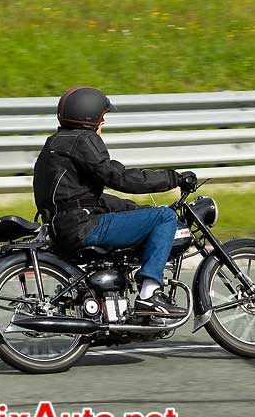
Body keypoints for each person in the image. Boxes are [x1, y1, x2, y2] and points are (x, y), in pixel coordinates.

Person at [33, 86, 198, 319]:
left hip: (64, 225)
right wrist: (173, 178)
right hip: (83, 226)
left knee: (147, 214)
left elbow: (90, 198)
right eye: (102, 117)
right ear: (88, 117)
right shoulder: (84, 140)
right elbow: (118, 177)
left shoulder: (55, 143)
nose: (103, 123)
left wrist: (137, 210)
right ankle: (149, 295)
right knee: (165, 217)